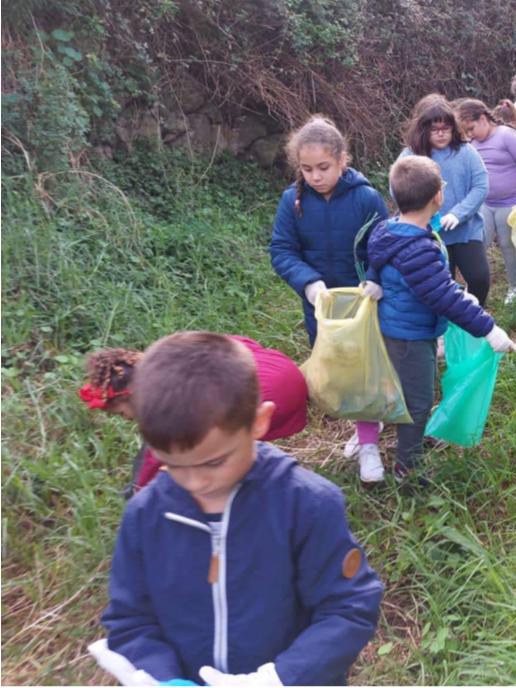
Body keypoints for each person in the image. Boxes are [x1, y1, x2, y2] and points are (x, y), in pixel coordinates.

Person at [97, 331, 383, 686]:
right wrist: (163, 677)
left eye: (214, 462)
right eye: (173, 464)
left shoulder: (307, 504)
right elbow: (130, 620)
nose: (195, 482)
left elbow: (348, 607)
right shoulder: (145, 515)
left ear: (259, 422)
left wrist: (280, 677)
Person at [366, 157, 516, 482]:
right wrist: (489, 329)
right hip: (410, 335)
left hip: (400, 329)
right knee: (418, 401)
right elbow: (442, 297)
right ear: (438, 197)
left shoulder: (388, 229)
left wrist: (374, 279)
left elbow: (378, 258)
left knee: (416, 390)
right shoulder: (417, 248)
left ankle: (413, 443)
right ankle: (407, 467)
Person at [268, 115, 389, 485]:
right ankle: (365, 423)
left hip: (362, 305)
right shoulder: (292, 202)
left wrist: (375, 278)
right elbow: (282, 249)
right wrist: (307, 283)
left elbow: (385, 246)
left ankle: (368, 443)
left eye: (323, 167)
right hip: (320, 307)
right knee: (338, 373)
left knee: (363, 371)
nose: (315, 176)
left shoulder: (366, 198)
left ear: (342, 160)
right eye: (307, 170)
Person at [80, 338, 308, 495]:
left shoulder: (168, 403)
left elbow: (156, 456)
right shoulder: (175, 354)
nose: (126, 419)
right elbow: (237, 344)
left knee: (217, 445)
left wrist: (141, 491)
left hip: (272, 394)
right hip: (283, 368)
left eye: (122, 413)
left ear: (132, 396)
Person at [398, 94, 490, 305]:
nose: (440, 134)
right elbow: (398, 189)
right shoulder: (410, 156)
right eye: (434, 129)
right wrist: (422, 212)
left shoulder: (466, 152)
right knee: (441, 286)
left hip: (466, 231)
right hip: (430, 234)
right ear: (423, 129)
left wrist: (459, 213)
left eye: (445, 128)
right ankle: (448, 321)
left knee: (479, 278)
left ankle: (473, 317)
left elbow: (481, 186)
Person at [455, 99, 516, 305]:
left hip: (510, 201)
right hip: (485, 203)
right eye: (466, 131)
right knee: (479, 244)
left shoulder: (505, 136)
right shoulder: (472, 144)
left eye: (471, 128)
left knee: (507, 244)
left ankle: (514, 286)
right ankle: (475, 286)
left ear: (483, 119)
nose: (470, 134)